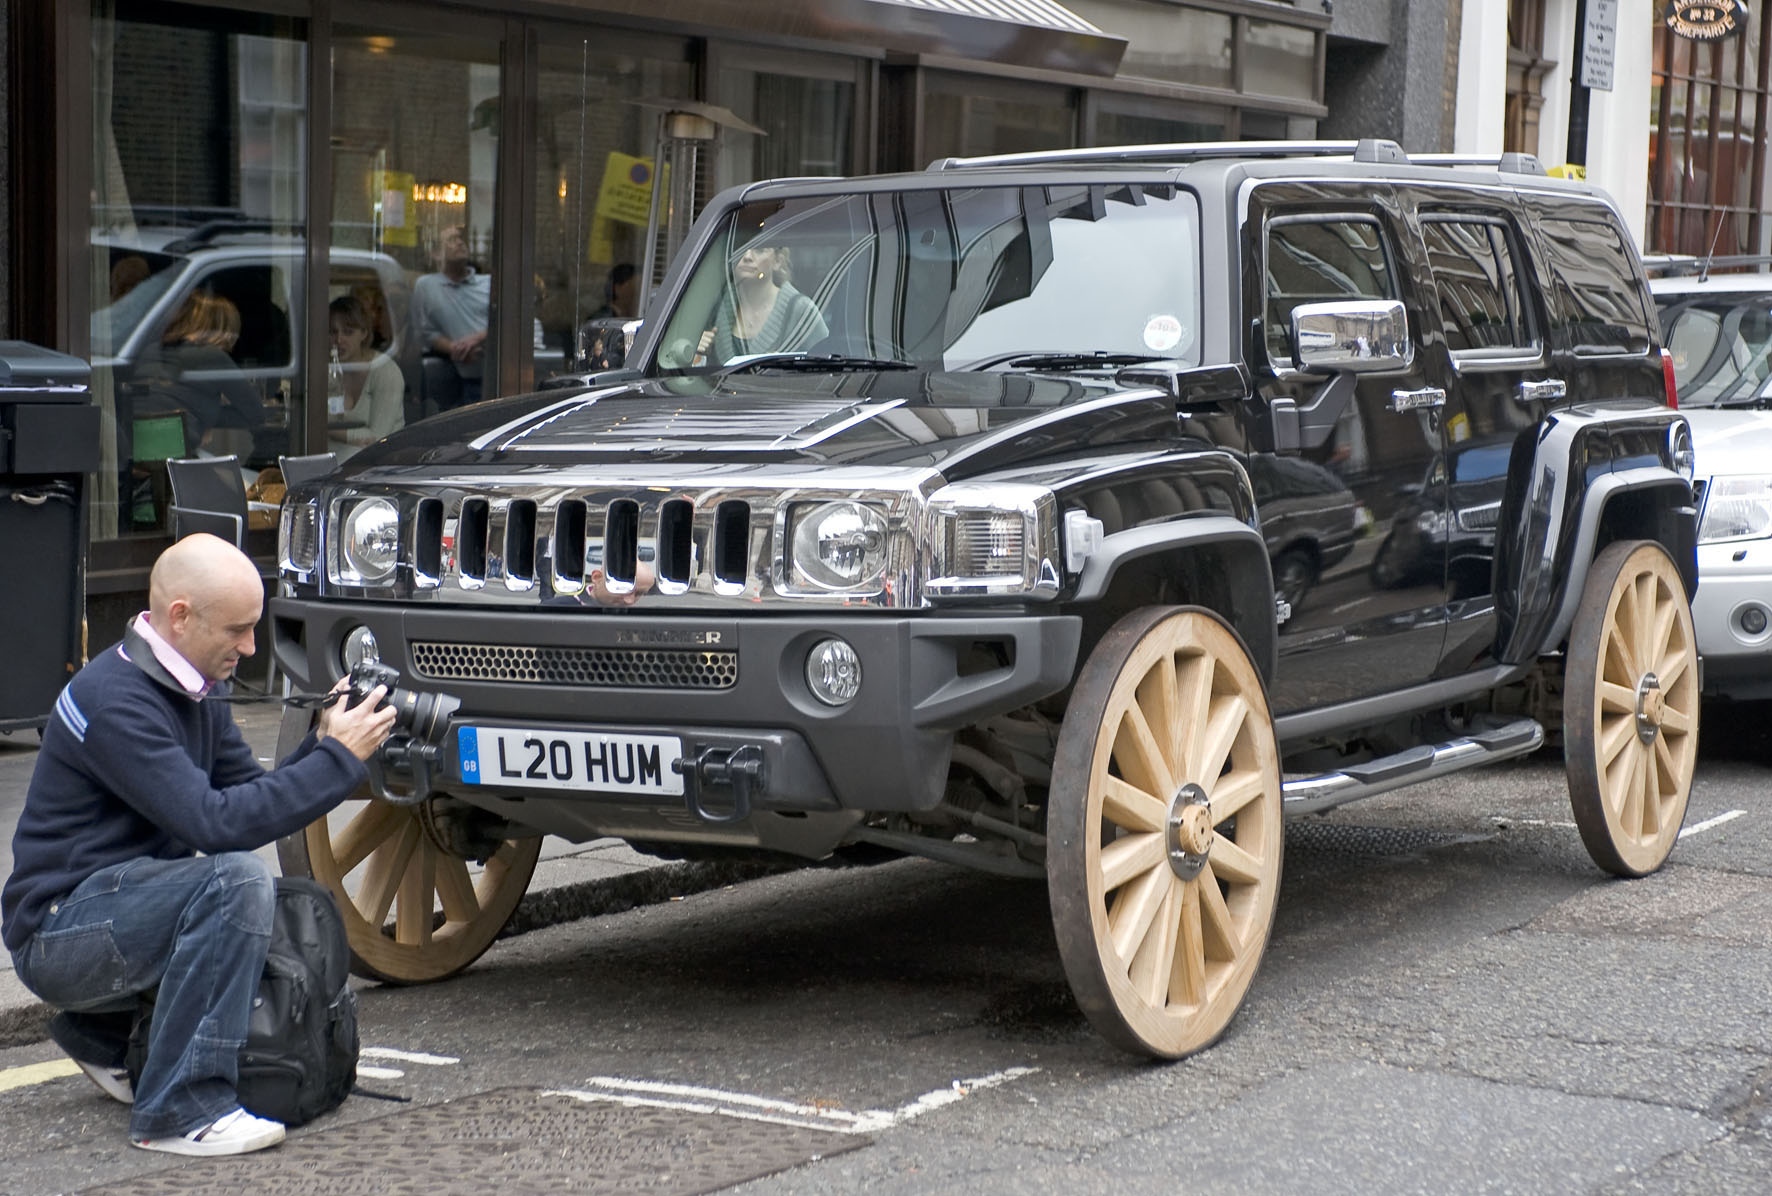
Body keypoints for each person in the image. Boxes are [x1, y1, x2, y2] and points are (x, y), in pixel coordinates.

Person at [1, 534, 397, 1157]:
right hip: (58, 932)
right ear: (180, 617)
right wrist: (336, 761)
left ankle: (105, 1036)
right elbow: (215, 826)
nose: (249, 647)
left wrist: (325, 743)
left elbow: (250, 799)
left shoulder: (191, 683)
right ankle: (180, 1110)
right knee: (234, 881)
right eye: (238, 631)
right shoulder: (117, 701)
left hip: (121, 908)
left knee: (254, 887)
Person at [147, 291, 267, 453]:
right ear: (222, 329)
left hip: (139, 450)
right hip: (174, 453)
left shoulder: (154, 351)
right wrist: (205, 417)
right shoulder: (211, 357)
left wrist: (202, 416)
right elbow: (256, 414)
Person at [702, 242, 827, 364]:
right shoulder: (716, 306)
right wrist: (696, 352)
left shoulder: (801, 310)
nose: (747, 256)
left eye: (759, 250)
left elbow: (827, 364)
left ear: (777, 261)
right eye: (740, 248)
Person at [411, 224, 490, 405]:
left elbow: (507, 321)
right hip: (451, 378)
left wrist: (477, 339)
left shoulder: (488, 283)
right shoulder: (426, 286)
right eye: (452, 240)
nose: (460, 243)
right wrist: (454, 348)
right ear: (436, 253)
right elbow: (423, 332)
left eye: (461, 239)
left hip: (493, 377)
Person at [326, 295, 405, 456]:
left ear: (363, 333)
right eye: (333, 332)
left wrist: (331, 431)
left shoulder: (385, 371)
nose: (339, 340)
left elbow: (378, 437)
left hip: (377, 460)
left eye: (348, 332)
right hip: (328, 455)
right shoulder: (325, 369)